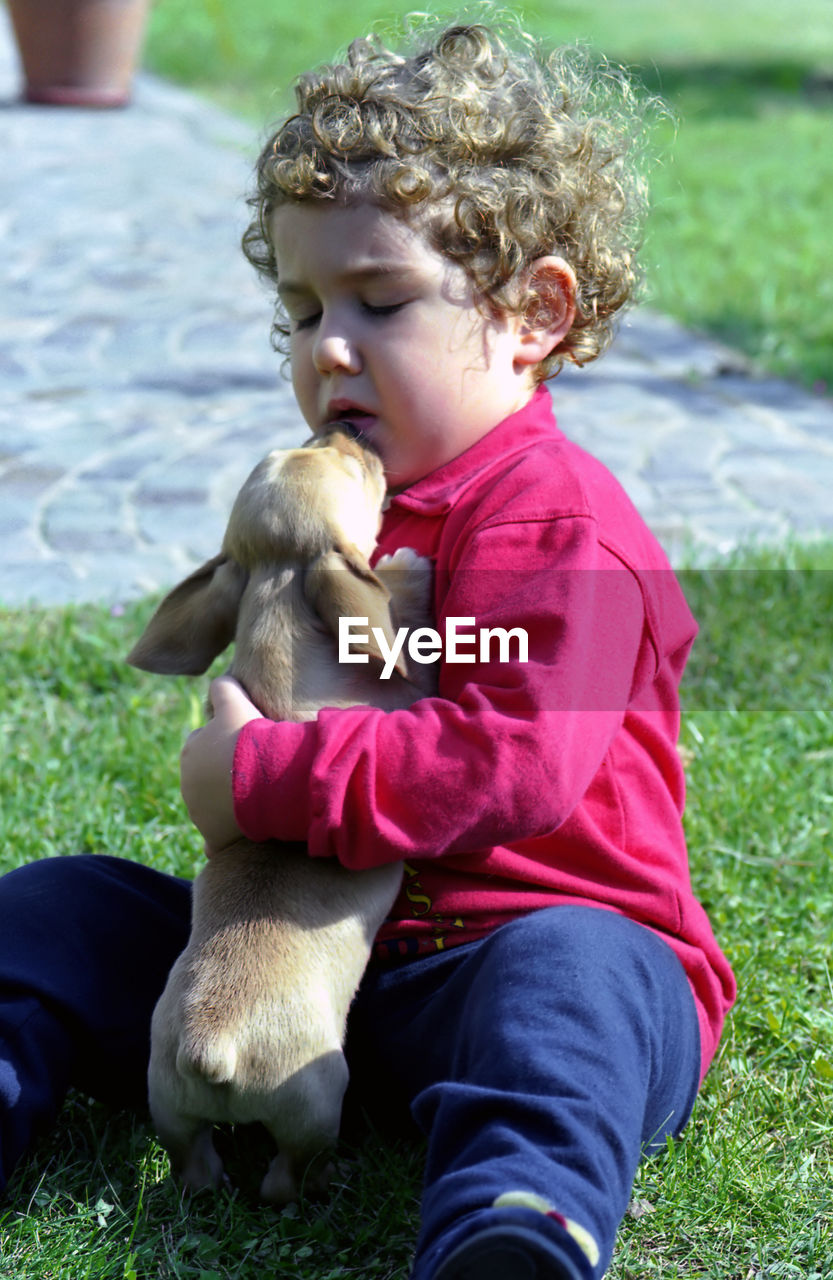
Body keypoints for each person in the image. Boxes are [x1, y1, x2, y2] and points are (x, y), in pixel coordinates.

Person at [0, 16, 735, 1280]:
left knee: (577, 979)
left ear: (533, 312)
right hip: (317, 983)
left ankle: (514, 1212)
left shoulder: (555, 525)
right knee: (62, 906)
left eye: (378, 300)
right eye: (301, 307)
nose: (327, 343)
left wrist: (262, 782)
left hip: (506, 960)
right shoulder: (342, 505)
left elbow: (509, 761)